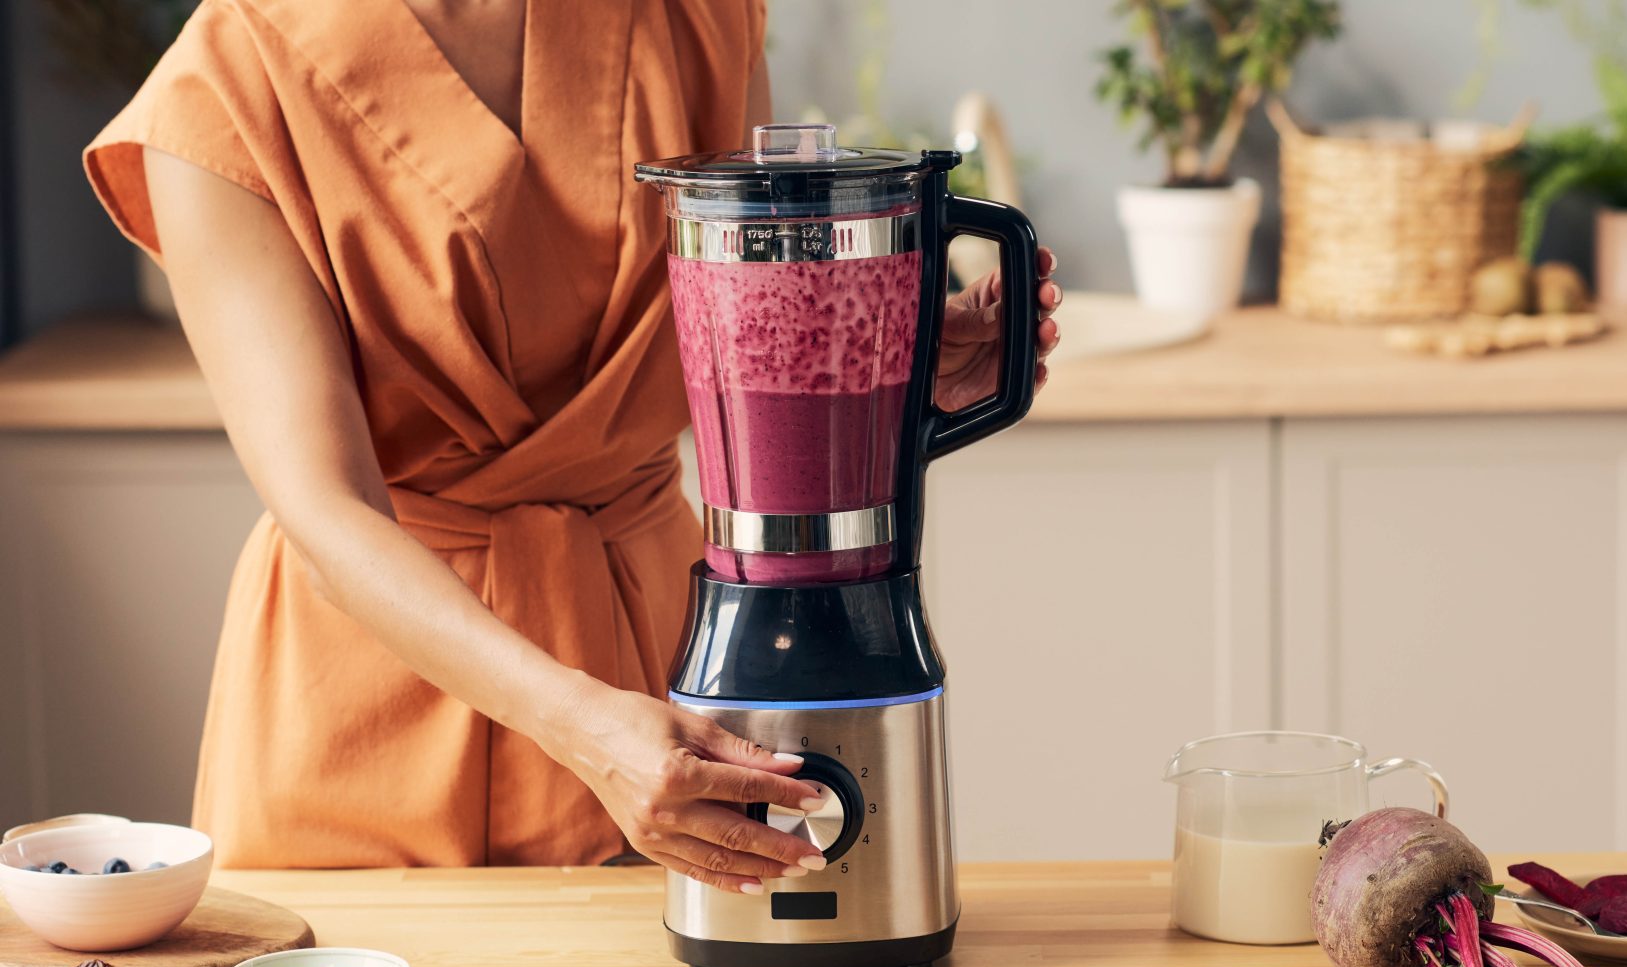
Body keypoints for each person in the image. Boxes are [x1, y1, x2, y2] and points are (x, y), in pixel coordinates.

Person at [83, 0, 1060, 889]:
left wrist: (876, 379)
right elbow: (324, 509)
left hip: (663, 668)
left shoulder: (703, 18)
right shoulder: (222, 87)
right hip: (376, 708)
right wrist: (585, 726)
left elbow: (725, 338)